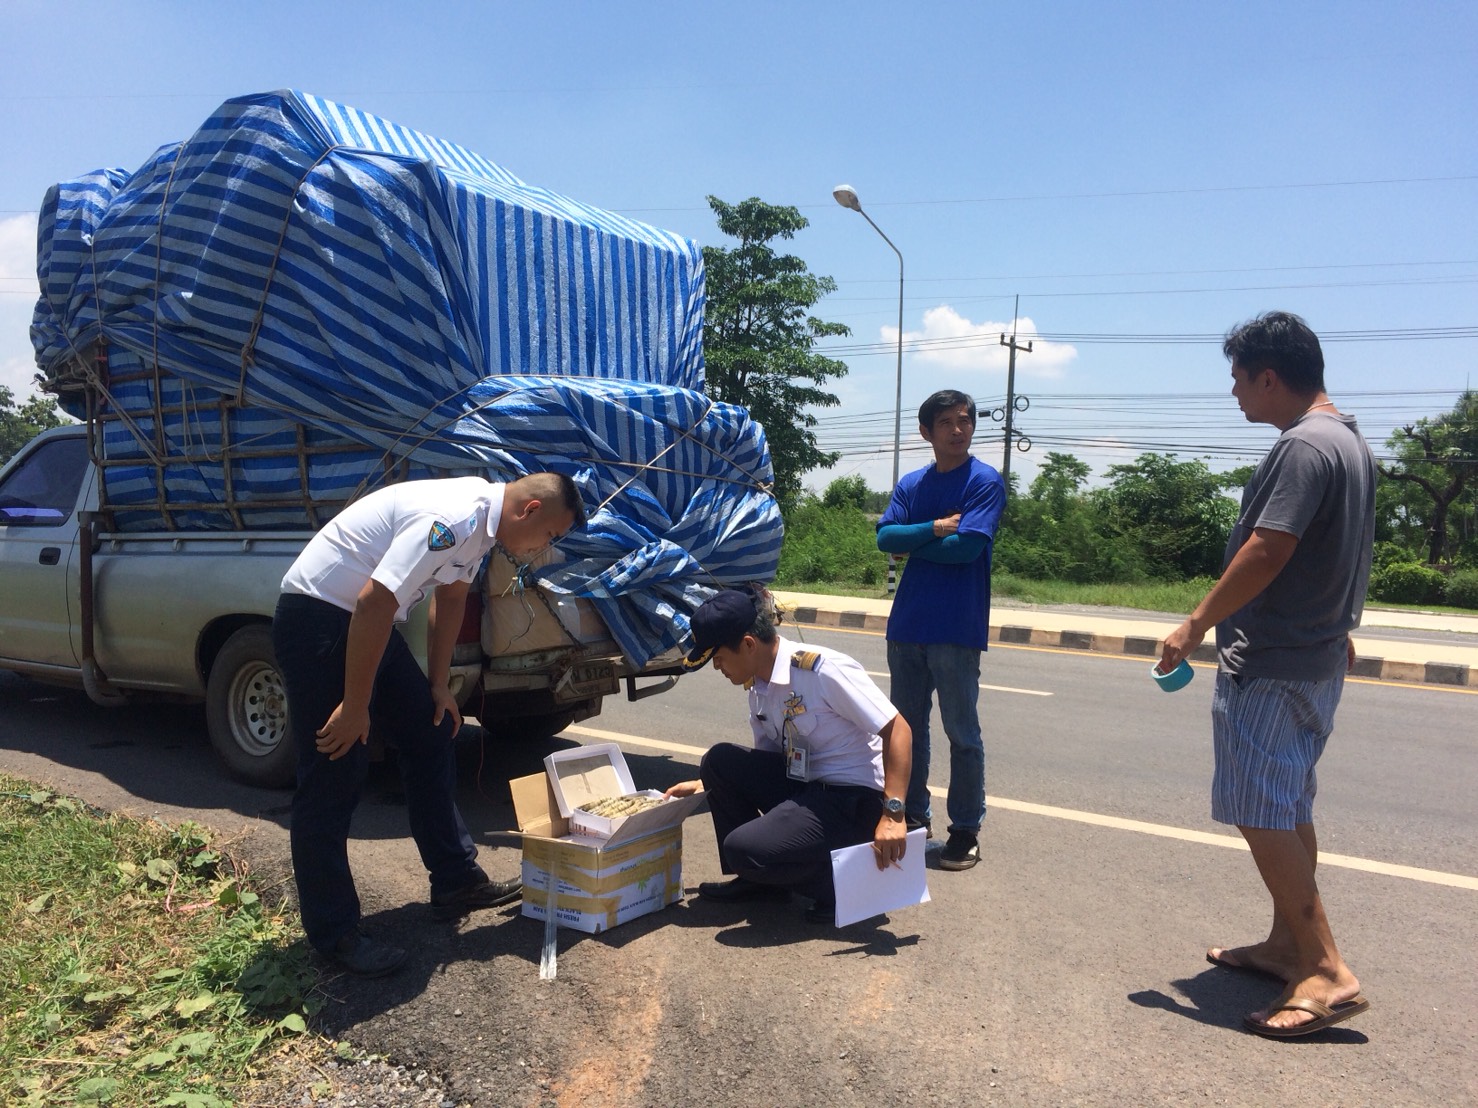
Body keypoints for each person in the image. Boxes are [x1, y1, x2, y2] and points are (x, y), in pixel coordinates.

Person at [1159, 311, 1375, 1038]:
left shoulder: (1303, 446)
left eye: (1239, 379)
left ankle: (1325, 967)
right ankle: (1287, 943)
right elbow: (1340, 549)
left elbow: (1269, 548)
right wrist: (1338, 622)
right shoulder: (1348, 440)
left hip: (1274, 663)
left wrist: (1196, 622)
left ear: (1270, 377)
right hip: (1314, 657)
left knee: (1260, 811)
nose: (1234, 392)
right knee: (1287, 806)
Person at [274, 471, 582, 976]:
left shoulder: (483, 528)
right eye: (549, 535)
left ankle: (455, 880)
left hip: (364, 620)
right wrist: (355, 705)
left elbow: (451, 598)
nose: (542, 549)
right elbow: (375, 599)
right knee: (336, 767)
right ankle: (334, 934)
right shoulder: (453, 518)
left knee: (431, 728)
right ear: (529, 510)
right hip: (320, 620)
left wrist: (439, 686)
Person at [663, 586, 911, 924]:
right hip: (808, 789)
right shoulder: (759, 686)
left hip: (851, 801)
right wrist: (705, 783)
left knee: (742, 850)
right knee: (718, 762)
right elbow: (767, 759)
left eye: (718, 657)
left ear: (748, 644)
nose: (717, 667)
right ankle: (761, 883)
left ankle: (848, 887)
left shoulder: (821, 671)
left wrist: (893, 814)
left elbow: (898, 730)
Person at [876, 390, 1006, 871]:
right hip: (907, 626)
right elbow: (885, 538)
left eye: (965, 420)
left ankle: (965, 830)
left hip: (956, 627)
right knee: (906, 730)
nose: (958, 429)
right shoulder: (912, 483)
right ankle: (913, 818)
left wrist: (913, 543)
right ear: (926, 431)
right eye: (947, 422)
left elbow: (967, 549)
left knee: (962, 733)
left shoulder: (984, 482)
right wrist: (934, 529)